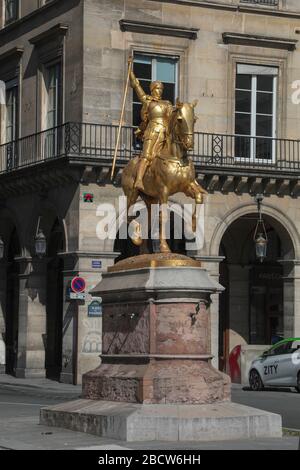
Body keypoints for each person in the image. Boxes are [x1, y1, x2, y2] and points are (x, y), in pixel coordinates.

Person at [129, 58, 174, 191]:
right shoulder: (148, 102)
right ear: (152, 89)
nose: (159, 91)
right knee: (147, 155)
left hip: (165, 132)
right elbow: (137, 87)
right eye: (157, 88)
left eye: (161, 89)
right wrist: (130, 72)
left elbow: (172, 117)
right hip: (152, 131)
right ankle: (138, 180)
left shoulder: (167, 103)